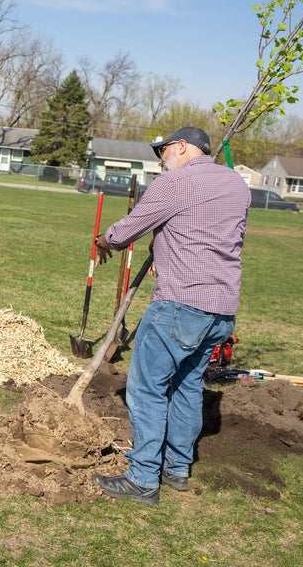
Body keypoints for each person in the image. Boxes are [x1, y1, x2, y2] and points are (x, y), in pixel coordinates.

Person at [91, 127, 249, 506]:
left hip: (181, 304)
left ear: (180, 147)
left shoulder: (174, 183)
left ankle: (143, 478)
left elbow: (127, 230)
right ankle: (176, 469)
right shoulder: (237, 185)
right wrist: (165, 237)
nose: (161, 163)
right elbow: (207, 232)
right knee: (188, 386)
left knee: (146, 388)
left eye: (162, 154)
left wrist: (104, 240)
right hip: (222, 310)